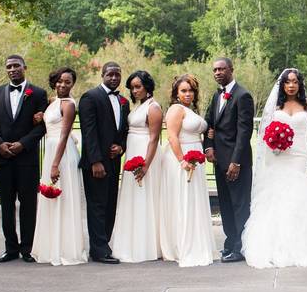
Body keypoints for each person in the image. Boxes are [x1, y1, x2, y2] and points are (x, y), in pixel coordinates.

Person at [241, 69, 307, 268]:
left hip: (299, 157)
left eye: (295, 82)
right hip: (278, 157)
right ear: (282, 85)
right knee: (277, 198)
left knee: (299, 197)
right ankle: (276, 246)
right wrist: (273, 142)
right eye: (287, 82)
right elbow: (264, 132)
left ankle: (304, 246)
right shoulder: (275, 106)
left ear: (300, 84)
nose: (291, 85)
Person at [0, 54, 48, 263]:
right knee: (6, 204)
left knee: (29, 204)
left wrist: (23, 144)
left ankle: (27, 248)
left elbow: (42, 126)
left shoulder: (38, 93)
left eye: (16, 66)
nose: (12, 70)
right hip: (4, 158)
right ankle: (10, 248)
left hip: (27, 158)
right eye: (9, 67)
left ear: (24, 67)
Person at [32, 67, 88, 266]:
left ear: (73, 84)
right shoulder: (54, 102)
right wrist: (41, 116)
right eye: (59, 81)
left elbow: (64, 134)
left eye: (67, 82)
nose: (63, 85)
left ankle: (66, 248)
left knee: (64, 198)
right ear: (54, 82)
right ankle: (51, 245)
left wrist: (55, 164)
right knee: (52, 199)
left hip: (62, 153)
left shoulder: (69, 105)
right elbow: (50, 120)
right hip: (52, 149)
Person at [160, 74, 218, 267]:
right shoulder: (176, 110)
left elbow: (193, 132)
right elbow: (172, 137)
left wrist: (208, 134)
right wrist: (182, 160)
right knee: (183, 201)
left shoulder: (189, 110)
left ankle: (197, 241)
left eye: (191, 90)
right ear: (176, 93)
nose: (188, 94)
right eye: (183, 90)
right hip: (181, 158)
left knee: (194, 201)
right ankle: (183, 245)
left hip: (196, 158)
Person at [203, 58, 255, 263]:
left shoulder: (243, 96)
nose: (217, 72)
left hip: (236, 163)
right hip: (219, 161)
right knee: (225, 204)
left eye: (222, 69)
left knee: (240, 205)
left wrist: (236, 162)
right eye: (215, 69)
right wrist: (208, 146)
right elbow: (209, 123)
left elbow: (245, 132)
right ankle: (230, 242)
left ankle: (241, 247)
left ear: (231, 70)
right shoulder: (217, 96)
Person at [78, 61, 130, 264]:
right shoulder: (90, 97)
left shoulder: (123, 101)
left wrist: (121, 147)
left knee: (110, 205)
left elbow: (124, 131)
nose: (114, 78)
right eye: (110, 74)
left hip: (114, 161)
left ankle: (104, 245)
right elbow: (88, 133)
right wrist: (96, 161)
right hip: (96, 163)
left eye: (117, 74)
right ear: (102, 75)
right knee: (97, 205)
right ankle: (99, 250)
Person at [111, 70, 162, 263]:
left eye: (138, 86)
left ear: (147, 86)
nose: (134, 90)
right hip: (132, 151)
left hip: (144, 154)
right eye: (132, 87)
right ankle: (130, 243)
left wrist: (146, 165)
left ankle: (145, 246)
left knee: (143, 198)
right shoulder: (139, 107)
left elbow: (154, 138)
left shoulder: (153, 107)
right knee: (132, 198)